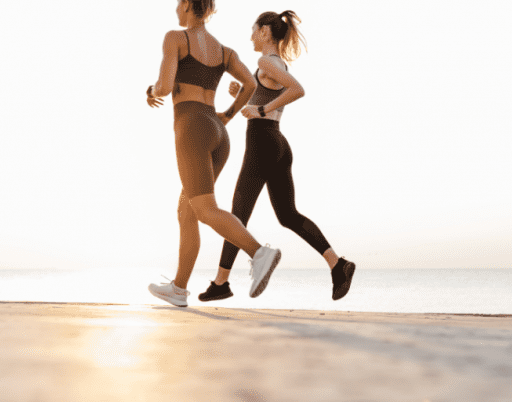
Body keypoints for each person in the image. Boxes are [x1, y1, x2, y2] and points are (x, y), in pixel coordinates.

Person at [198, 10, 355, 303]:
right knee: (288, 215)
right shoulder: (274, 64)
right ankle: (337, 264)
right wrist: (247, 95)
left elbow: (297, 89)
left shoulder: (263, 61)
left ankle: (221, 282)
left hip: (262, 142)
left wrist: (260, 109)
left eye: (253, 30)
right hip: (277, 143)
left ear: (265, 32)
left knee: (237, 214)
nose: (250, 36)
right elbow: (269, 93)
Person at [145, 0, 281, 308]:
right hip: (217, 133)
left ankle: (260, 253)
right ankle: (179, 289)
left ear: (189, 6)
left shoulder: (175, 38)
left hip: (191, 129)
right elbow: (249, 83)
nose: (176, 10)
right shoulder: (225, 52)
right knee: (187, 210)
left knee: (205, 210)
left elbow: (165, 87)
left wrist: (150, 91)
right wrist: (228, 116)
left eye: (178, 3)